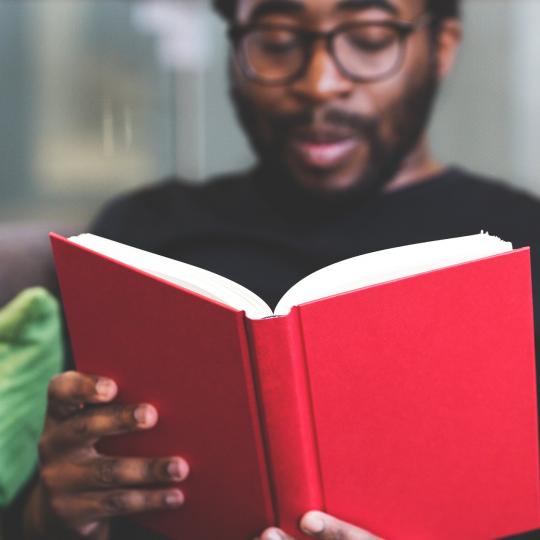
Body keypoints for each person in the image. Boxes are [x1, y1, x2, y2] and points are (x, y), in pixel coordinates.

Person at [7, 0, 540, 538]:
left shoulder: (522, 240)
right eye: (278, 42)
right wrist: (58, 513)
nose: (320, 83)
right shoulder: (136, 238)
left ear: (442, 47)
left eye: (371, 40)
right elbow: (57, 499)